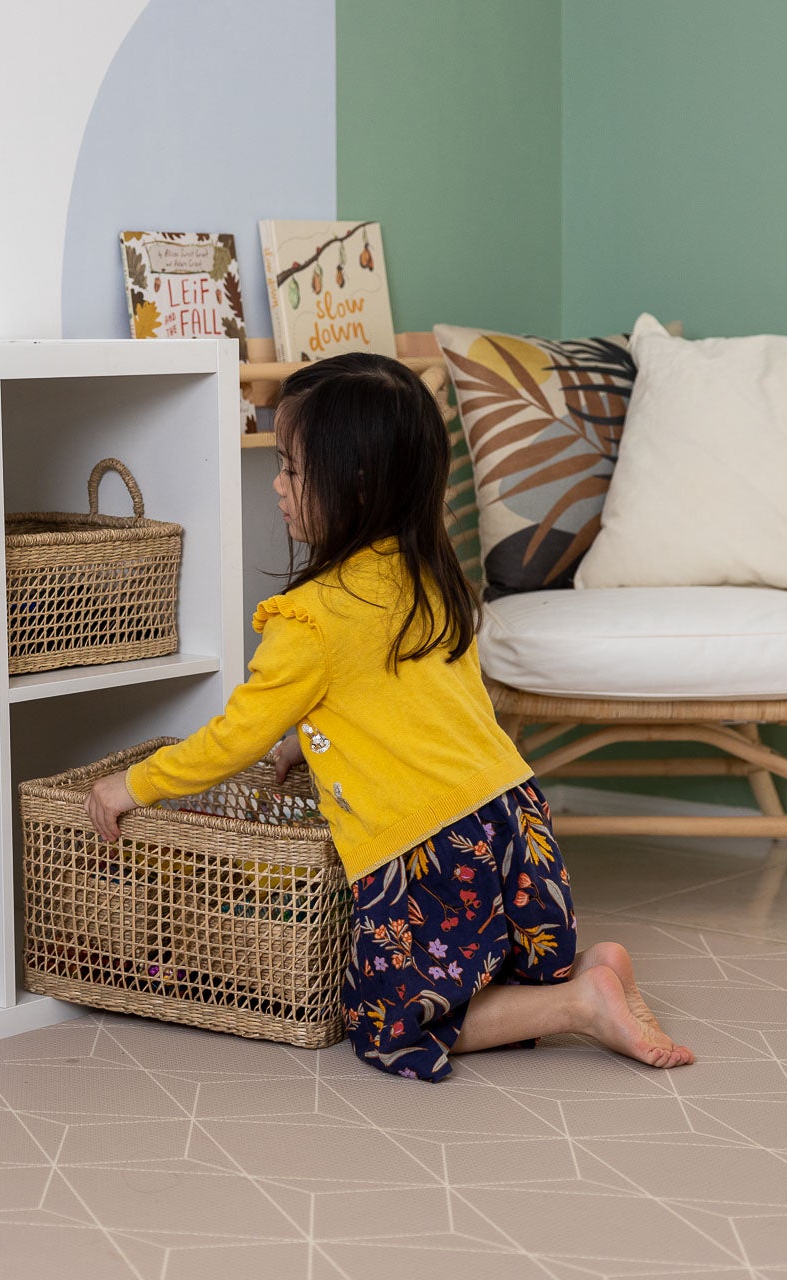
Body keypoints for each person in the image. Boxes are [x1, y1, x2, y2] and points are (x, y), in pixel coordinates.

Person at [85, 352, 693, 1082]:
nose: (277, 486)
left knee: (387, 1025)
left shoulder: (309, 620)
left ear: (356, 486)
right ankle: (594, 968)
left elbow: (232, 738)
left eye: (291, 470)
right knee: (490, 969)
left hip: (430, 848)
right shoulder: (428, 576)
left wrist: (134, 785)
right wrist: (309, 740)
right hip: (514, 817)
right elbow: (408, 709)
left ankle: (581, 1004)